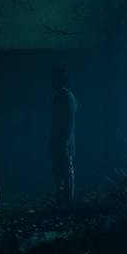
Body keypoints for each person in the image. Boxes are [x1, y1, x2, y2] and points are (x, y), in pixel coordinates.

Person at [50, 69, 77, 204]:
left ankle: (67, 199)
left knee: (65, 169)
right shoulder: (62, 96)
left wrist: (65, 140)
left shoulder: (65, 96)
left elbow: (68, 120)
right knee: (60, 169)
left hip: (63, 140)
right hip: (60, 139)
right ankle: (63, 198)